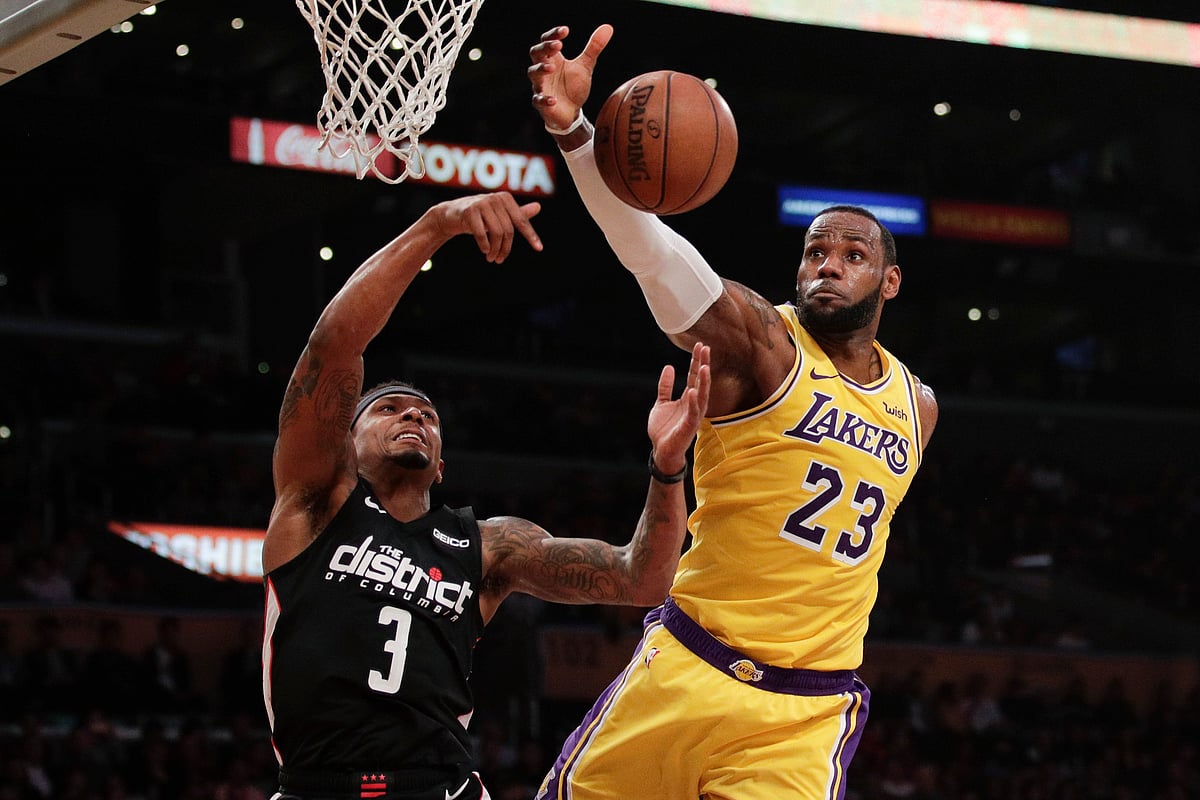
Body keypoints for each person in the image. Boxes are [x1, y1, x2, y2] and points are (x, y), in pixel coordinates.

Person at [527, 25, 939, 800]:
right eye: (815, 252)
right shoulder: (762, 344)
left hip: (804, 713)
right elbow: (653, 256)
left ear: (889, 283)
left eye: (853, 256)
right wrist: (579, 137)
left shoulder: (918, 406)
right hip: (691, 666)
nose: (828, 266)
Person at [261, 191, 711, 800]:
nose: (413, 416)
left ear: (441, 465)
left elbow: (642, 579)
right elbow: (334, 346)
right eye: (388, 410)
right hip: (314, 787)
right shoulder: (314, 504)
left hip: (442, 787)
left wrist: (667, 466)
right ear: (344, 443)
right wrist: (436, 224)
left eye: (427, 415)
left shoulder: (488, 546)